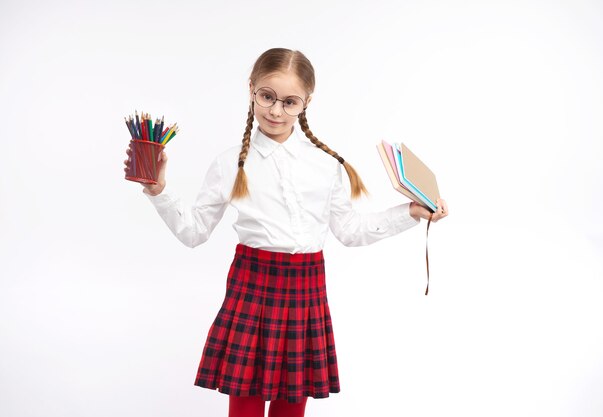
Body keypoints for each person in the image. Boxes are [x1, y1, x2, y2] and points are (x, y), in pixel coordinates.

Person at [123, 48, 448, 417]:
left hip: (306, 292)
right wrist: (158, 190)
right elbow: (194, 232)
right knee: (244, 407)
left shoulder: (326, 165)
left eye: (289, 102)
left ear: (306, 102)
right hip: (252, 287)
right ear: (252, 91)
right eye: (267, 97)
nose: (276, 111)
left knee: (291, 410)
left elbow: (351, 231)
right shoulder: (229, 163)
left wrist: (410, 212)